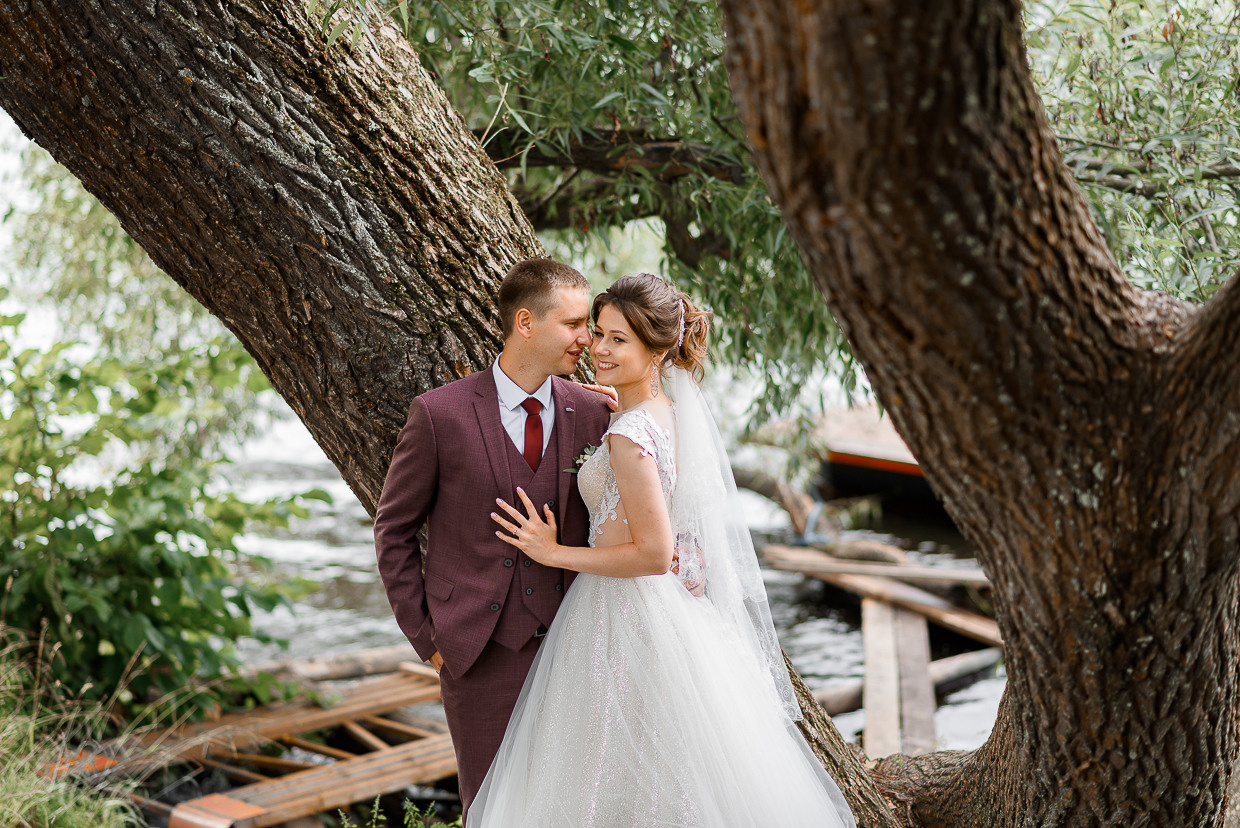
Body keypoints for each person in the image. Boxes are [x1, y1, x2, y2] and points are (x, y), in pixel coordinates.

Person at [471, 273, 857, 827]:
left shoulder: (630, 435)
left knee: (605, 774)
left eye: (618, 340)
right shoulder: (664, 415)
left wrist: (554, 553)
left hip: (623, 613)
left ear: (656, 352)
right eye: (598, 334)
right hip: (668, 612)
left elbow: (654, 553)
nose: (599, 349)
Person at [373, 258, 613, 816]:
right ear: (525, 323)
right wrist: (431, 643)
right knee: (489, 810)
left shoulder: (595, 412)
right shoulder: (440, 415)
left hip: (574, 646)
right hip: (476, 655)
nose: (587, 339)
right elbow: (393, 531)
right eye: (574, 324)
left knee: (573, 810)